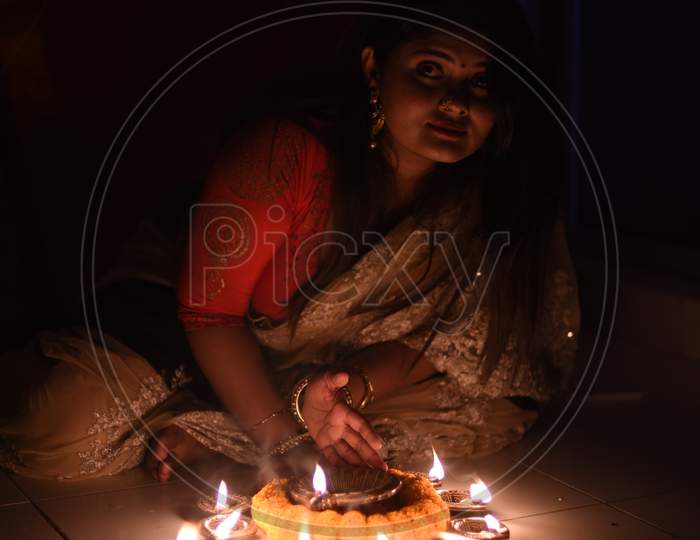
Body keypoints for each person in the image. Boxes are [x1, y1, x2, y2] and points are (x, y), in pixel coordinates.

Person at [0, 0, 580, 484]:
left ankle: (222, 428)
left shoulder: (489, 195)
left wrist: (341, 395)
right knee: (57, 427)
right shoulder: (288, 152)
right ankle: (227, 419)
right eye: (430, 70)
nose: (456, 102)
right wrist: (280, 440)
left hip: (322, 364)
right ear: (376, 68)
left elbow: (444, 343)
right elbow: (208, 312)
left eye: (480, 81)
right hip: (192, 325)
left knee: (486, 405)